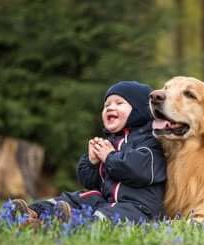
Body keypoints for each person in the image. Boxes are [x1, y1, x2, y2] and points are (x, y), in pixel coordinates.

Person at [12, 81, 167, 224]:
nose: (110, 107)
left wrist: (109, 157)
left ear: (139, 111)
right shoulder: (110, 142)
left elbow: (138, 170)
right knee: (81, 197)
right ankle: (33, 213)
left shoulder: (150, 141)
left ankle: (73, 222)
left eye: (119, 103)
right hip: (107, 201)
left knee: (110, 214)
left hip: (139, 208)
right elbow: (90, 183)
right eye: (107, 105)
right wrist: (92, 163)